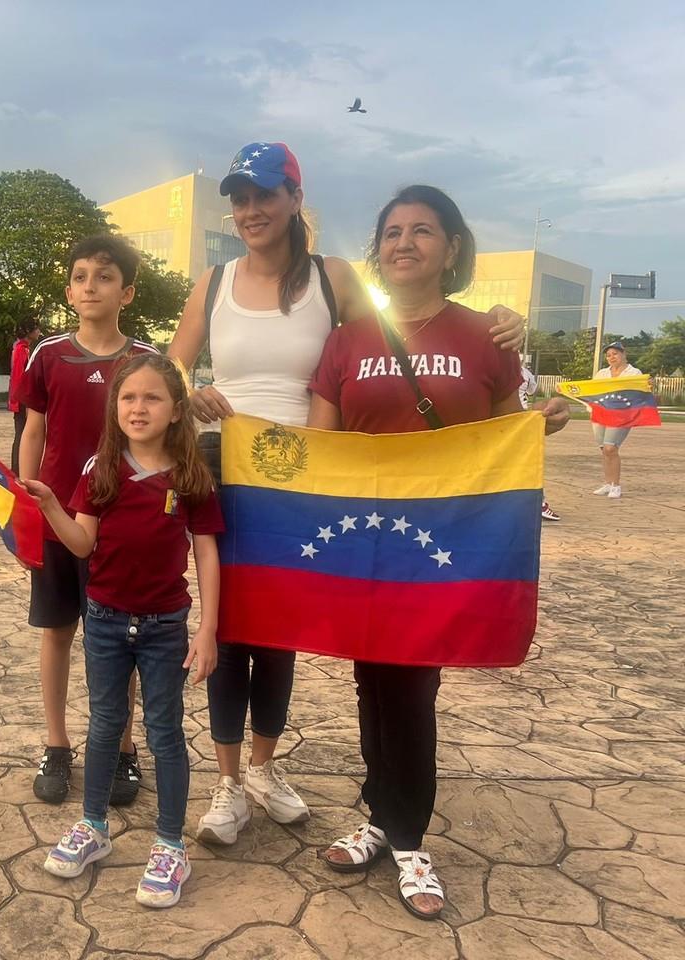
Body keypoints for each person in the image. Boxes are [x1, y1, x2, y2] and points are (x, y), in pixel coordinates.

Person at [167, 141, 527, 847]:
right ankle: (229, 783)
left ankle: (266, 770)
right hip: (225, 463)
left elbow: (397, 332)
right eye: (239, 198)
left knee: (278, 629)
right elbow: (173, 364)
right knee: (227, 621)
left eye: (264, 195)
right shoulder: (212, 284)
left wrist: (501, 320)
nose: (249, 210)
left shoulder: (333, 277)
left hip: (311, 478)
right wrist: (190, 391)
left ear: (296, 199)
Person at [306, 184, 568, 920]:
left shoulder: (486, 335)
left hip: (441, 547)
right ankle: (379, 814)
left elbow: (503, 440)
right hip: (363, 544)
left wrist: (541, 424)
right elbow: (319, 446)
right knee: (370, 682)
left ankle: (408, 836)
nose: (404, 242)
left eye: (423, 231)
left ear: (452, 249)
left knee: (413, 686)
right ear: (378, 250)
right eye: (392, 231)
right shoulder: (347, 342)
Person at [25, 353, 222, 909]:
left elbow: (206, 554)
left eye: (152, 397)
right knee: (106, 724)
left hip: (165, 627)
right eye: (128, 397)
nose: (138, 407)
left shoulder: (191, 477)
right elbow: (83, 543)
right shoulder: (99, 470)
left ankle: (169, 845)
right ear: (115, 408)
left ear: (177, 410)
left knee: (164, 732)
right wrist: (51, 508)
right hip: (106, 621)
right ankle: (93, 826)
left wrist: (207, 629)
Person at [20, 235, 158, 805]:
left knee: (117, 641)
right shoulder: (46, 355)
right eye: (79, 277)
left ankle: (124, 748)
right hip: (55, 519)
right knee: (57, 632)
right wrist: (27, 501)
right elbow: (33, 431)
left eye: (103, 277)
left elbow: (157, 438)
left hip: (117, 527)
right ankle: (56, 744)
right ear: (69, 289)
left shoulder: (146, 360)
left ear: (126, 292)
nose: (89, 287)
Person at [591, 342, 642, 500]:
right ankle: (608, 483)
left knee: (610, 448)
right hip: (601, 414)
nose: (612, 357)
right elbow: (592, 391)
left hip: (622, 415)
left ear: (623, 354)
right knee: (603, 449)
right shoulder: (602, 373)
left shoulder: (633, 373)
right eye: (608, 355)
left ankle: (616, 485)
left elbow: (640, 392)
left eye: (615, 353)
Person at [519, 358, 560, 521]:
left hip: (519, 418)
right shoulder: (524, 373)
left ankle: (538, 503)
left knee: (526, 462)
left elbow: (530, 391)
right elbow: (531, 390)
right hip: (513, 418)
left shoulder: (524, 373)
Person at [9, 317, 43, 475]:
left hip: (22, 397)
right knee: (22, 433)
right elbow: (18, 377)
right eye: (36, 329)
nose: (39, 332)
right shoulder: (21, 350)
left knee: (22, 432)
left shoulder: (24, 348)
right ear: (29, 331)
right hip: (22, 399)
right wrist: (21, 400)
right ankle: (17, 469)